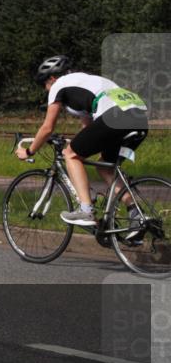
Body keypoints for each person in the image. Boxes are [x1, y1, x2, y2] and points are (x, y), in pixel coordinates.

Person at [16, 55, 149, 239]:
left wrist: (29, 151)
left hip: (115, 116)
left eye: (44, 85)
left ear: (52, 78)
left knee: (70, 155)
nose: (46, 90)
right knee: (106, 167)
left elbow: (47, 128)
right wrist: (75, 143)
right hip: (139, 117)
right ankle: (136, 215)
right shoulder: (89, 80)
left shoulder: (58, 85)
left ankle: (86, 210)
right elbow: (89, 130)